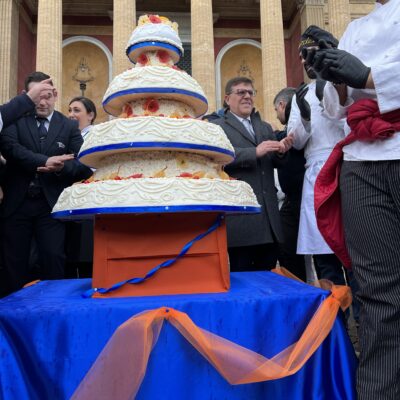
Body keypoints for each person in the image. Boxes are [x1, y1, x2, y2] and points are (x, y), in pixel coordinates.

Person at [309, 1, 400, 398]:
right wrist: (333, 72)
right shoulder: (356, 27)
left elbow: (368, 76)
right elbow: (333, 110)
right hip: (362, 159)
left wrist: (366, 74)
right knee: (378, 292)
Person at [0, 71, 93, 293]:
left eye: (48, 96)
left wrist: (62, 168)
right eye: (37, 96)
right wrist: (44, 161)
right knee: (13, 263)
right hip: (17, 204)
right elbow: (12, 150)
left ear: (55, 95)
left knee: (53, 258)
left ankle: (53, 307)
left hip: (51, 206)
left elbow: (84, 162)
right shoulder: (14, 121)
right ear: (27, 95)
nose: (42, 102)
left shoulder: (67, 126)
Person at [211, 77, 292, 271]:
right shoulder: (218, 127)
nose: (247, 96)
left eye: (250, 93)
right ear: (227, 98)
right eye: (241, 92)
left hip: (269, 221)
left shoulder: (264, 127)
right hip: (241, 222)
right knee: (243, 279)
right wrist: (254, 152)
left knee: (268, 278)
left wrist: (282, 152)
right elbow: (217, 158)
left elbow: (274, 163)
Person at [287, 26, 346, 287]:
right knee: (324, 258)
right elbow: (295, 141)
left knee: (352, 250)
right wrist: (306, 116)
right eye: (301, 56)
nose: (304, 61)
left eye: (309, 54)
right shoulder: (303, 94)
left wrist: (330, 94)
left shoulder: (348, 83)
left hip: (344, 166)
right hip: (315, 174)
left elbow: (350, 124)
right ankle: (335, 322)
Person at [273, 87, 307, 281]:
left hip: (303, 194)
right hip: (291, 198)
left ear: (282, 105)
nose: (278, 116)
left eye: (277, 111)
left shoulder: (296, 129)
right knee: (287, 245)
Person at [65, 96, 97, 278]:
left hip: (88, 201)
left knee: (85, 259)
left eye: (77, 110)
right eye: (69, 110)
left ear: (91, 115)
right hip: (71, 203)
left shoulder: (94, 136)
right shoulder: (67, 136)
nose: (71, 114)